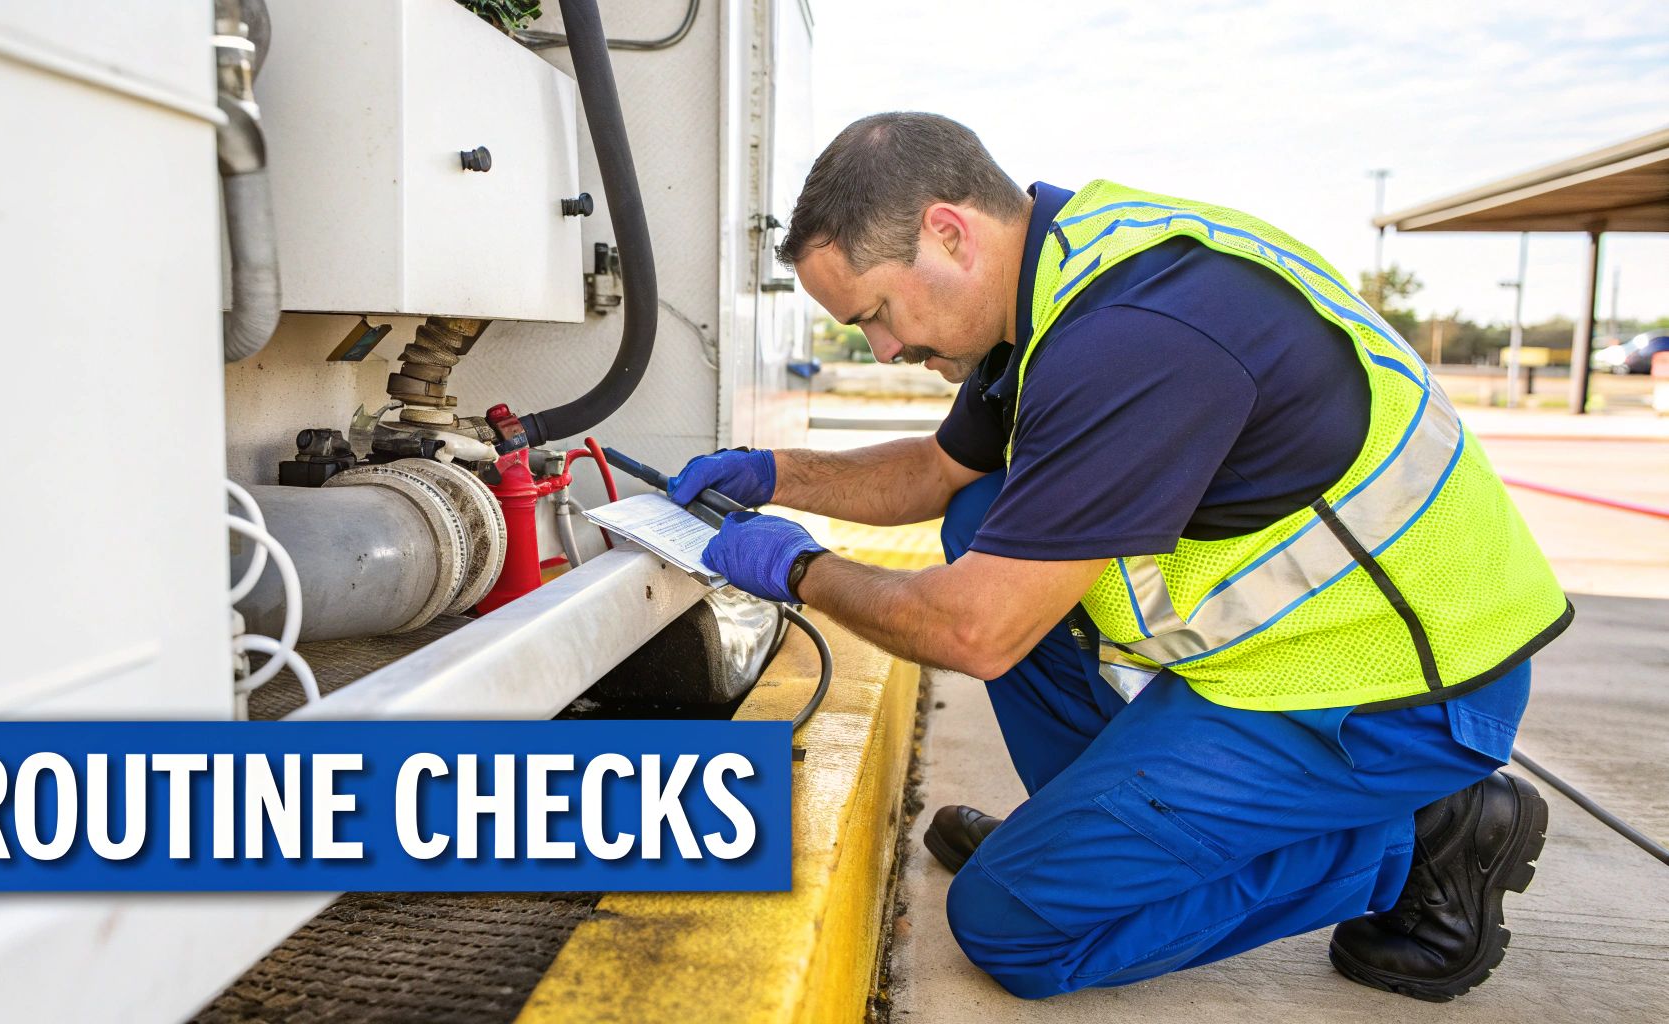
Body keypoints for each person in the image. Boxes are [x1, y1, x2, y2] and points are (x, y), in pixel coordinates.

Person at [666, 112, 1571, 1000]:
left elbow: (975, 631)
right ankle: (1095, 843)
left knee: (1008, 924)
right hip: (1284, 664)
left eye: (878, 314)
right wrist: (773, 472)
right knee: (983, 514)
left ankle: (1420, 838)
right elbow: (941, 471)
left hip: (1394, 691)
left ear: (949, 233)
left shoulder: (1136, 333)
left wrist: (798, 570)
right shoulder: (1053, 289)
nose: (887, 348)